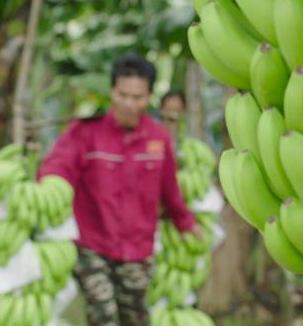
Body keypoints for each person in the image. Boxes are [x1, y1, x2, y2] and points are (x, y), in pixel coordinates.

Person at [38, 54, 200, 326]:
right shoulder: (85, 131)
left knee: (136, 318)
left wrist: (186, 223)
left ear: (149, 96)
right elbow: (58, 166)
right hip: (93, 246)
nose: (129, 103)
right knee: (104, 315)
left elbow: (169, 190)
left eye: (137, 97)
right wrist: (46, 187)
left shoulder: (158, 138)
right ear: (112, 91)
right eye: (122, 94)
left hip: (137, 249)